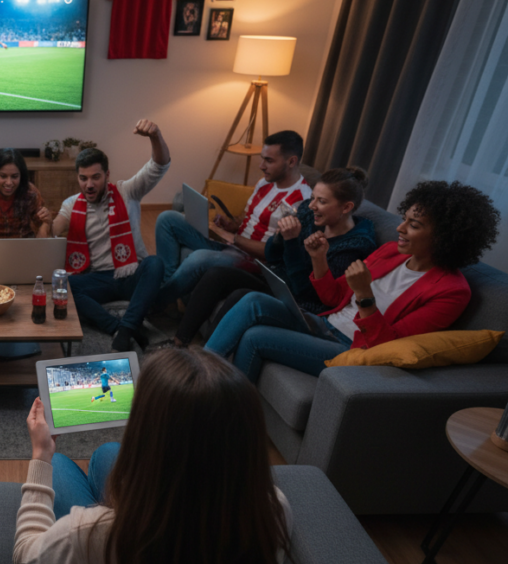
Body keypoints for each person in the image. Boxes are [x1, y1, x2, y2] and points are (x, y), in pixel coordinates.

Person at [15, 348, 296, 564]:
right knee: (107, 454)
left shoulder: (92, 537)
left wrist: (41, 455)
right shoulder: (273, 510)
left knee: (60, 464)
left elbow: (26, 557)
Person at [205, 181, 501, 382]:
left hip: (350, 347)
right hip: (326, 323)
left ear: (444, 237)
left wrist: (364, 294)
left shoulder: (451, 291)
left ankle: (228, 409)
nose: (399, 228)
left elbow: (386, 345)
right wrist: (319, 259)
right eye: (404, 219)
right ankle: (195, 376)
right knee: (253, 301)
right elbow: (333, 299)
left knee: (255, 337)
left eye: (414, 225)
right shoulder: (390, 253)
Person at [170, 167, 377, 347]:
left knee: (240, 294)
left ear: (346, 207)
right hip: (276, 279)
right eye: (313, 197)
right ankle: (179, 341)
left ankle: (209, 357)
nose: (311, 205)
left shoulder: (354, 247)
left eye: (321, 201)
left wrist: (292, 242)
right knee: (216, 274)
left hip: (301, 302)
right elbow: (271, 254)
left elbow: (308, 294)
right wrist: (279, 237)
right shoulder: (307, 211)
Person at [155, 131, 313, 307]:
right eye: (262, 159)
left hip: (255, 263)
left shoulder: (301, 202)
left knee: (197, 258)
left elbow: (277, 253)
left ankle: (152, 303)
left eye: (269, 160)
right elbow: (246, 216)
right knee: (167, 218)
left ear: (291, 161)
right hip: (232, 246)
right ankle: (165, 294)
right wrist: (230, 225)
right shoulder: (265, 182)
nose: (261, 165)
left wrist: (231, 237)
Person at [53, 119, 171, 352]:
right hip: (98, 278)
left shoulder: (128, 191)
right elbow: (56, 227)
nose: (89, 184)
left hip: (130, 273)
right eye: (83, 178)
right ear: (77, 177)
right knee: (62, 285)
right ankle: (122, 328)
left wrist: (155, 135)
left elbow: (160, 165)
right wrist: (49, 225)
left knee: (155, 264)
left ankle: (124, 330)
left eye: (95, 177)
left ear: (107, 175)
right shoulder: (71, 204)